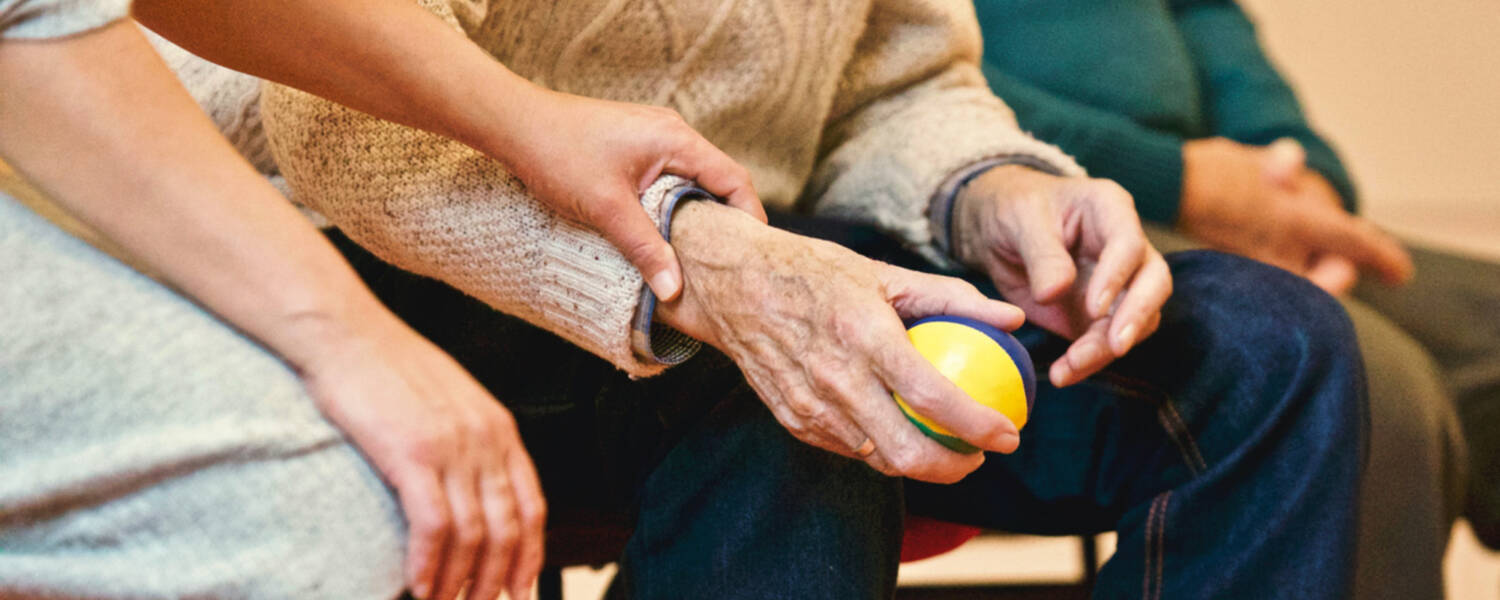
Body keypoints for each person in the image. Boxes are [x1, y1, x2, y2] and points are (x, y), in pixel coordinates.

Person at [4, 3, 1367, 600]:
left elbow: (902, 81)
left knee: (1267, 349)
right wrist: (696, 269)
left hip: (763, 250)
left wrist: (992, 190)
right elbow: (351, 137)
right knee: (791, 387)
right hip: (409, 263)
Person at [970, 0, 1494, 596]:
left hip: (1219, 195)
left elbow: (1204, 14)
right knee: (1354, 373)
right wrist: (1180, 181)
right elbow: (907, 83)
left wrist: (1298, 178)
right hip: (1013, 204)